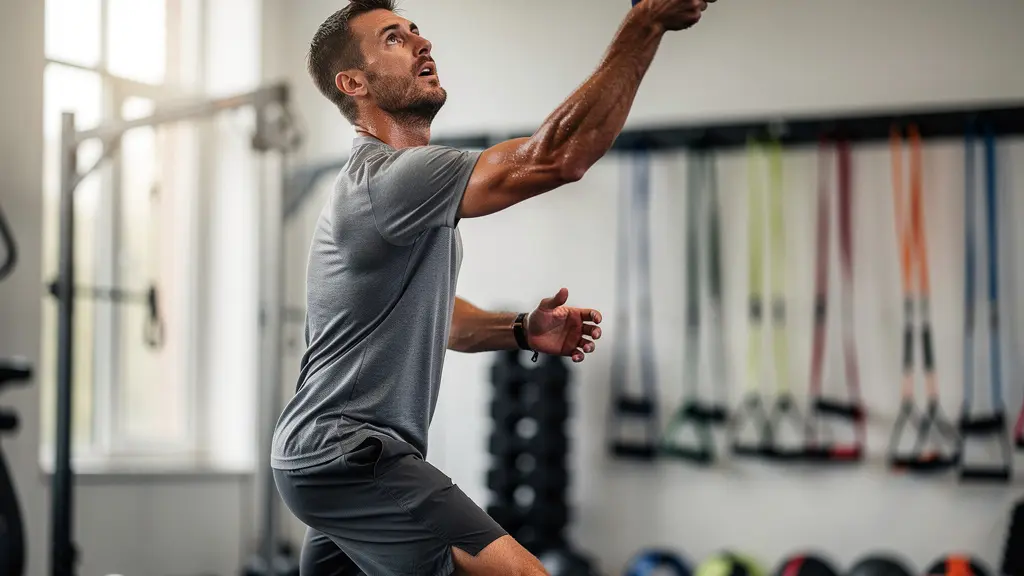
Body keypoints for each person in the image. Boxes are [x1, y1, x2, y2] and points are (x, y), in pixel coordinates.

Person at [271, 0, 716, 574]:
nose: (421, 43)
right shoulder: (386, 179)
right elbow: (556, 158)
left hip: (326, 460)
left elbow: (444, 321)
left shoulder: (402, 195)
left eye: (415, 32)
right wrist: (644, 22)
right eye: (393, 39)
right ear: (353, 82)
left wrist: (522, 331)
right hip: (348, 453)